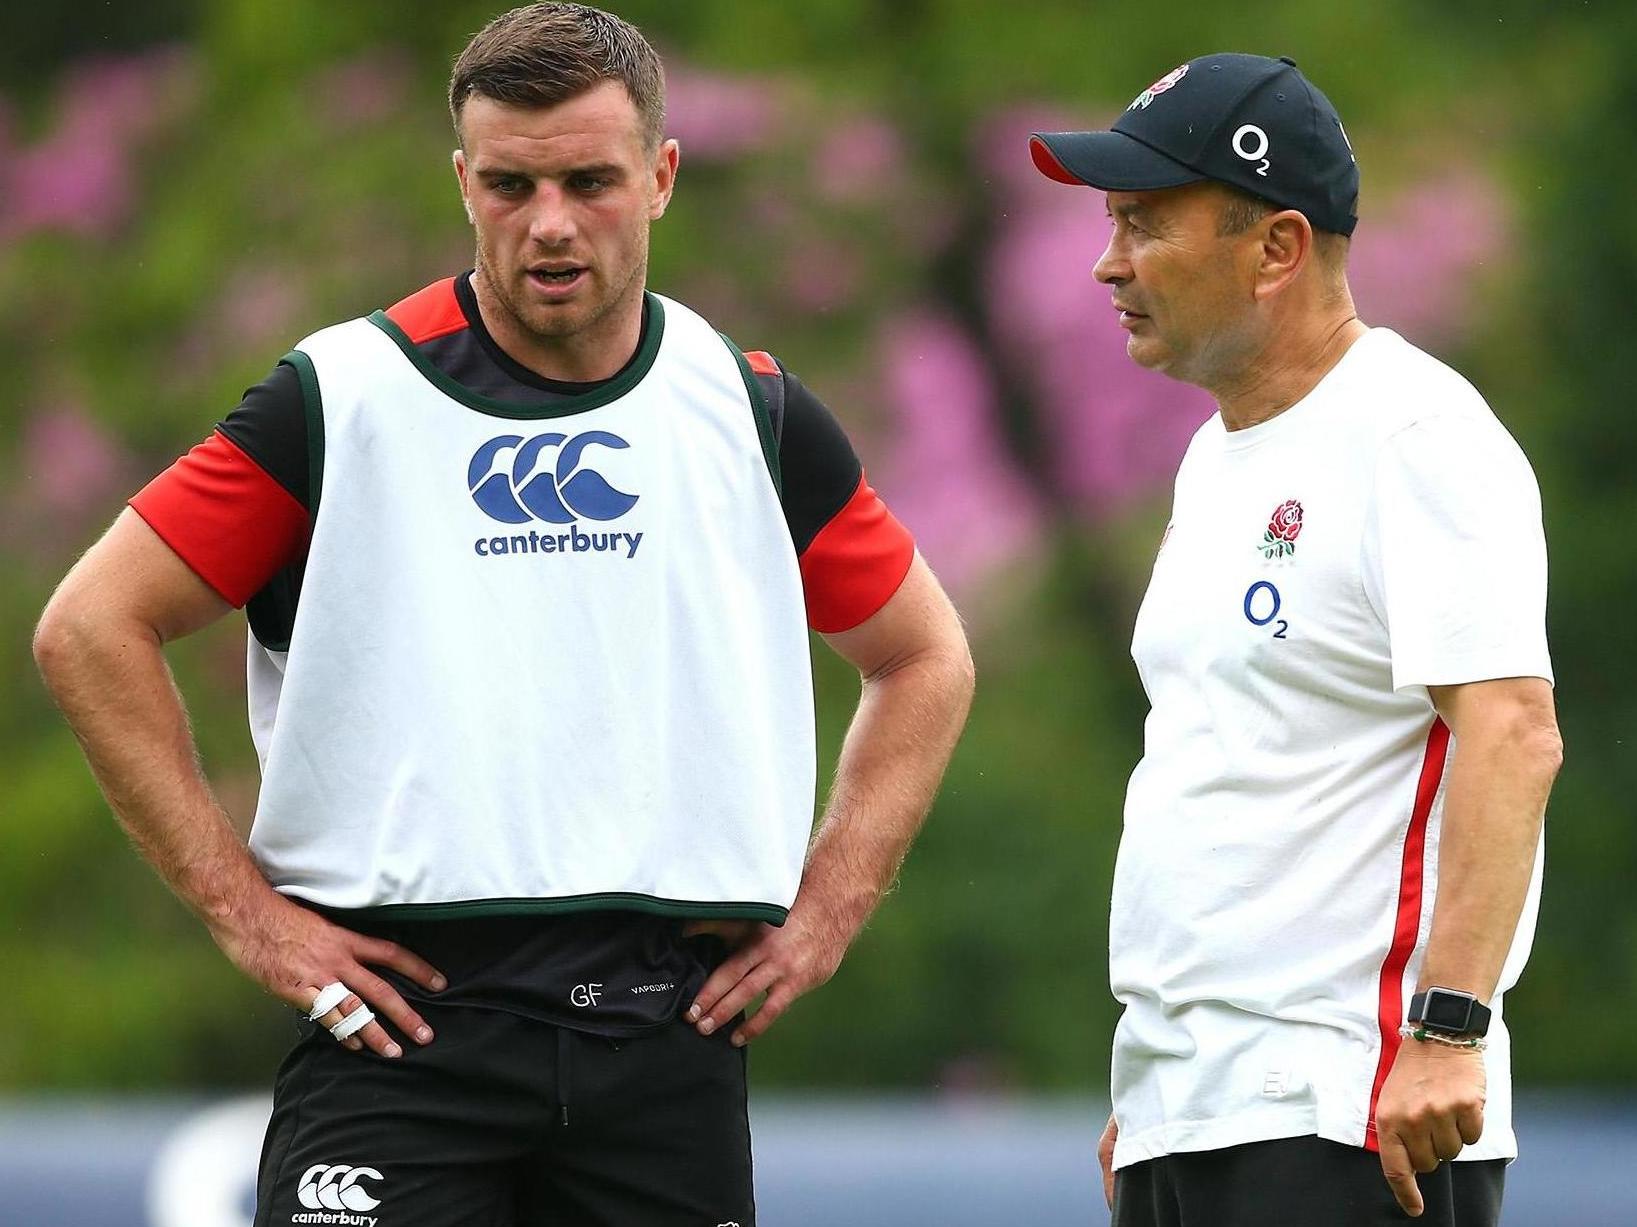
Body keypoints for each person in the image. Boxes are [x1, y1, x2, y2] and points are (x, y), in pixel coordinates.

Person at [32, 5, 974, 1224]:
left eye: (589, 181)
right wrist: (251, 920)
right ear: (463, 180)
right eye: (509, 183)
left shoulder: (748, 410)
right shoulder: (341, 397)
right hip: (398, 1029)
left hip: (664, 1034)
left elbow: (923, 656)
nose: (549, 223)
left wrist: (830, 906)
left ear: (661, 177)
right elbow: (90, 628)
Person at [1029, 53, 1560, 1226]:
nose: (1107, 262)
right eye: (1111, 224)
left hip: (1350, 1113)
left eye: (1143, 224)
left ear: (1276, 249)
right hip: (1197, 1110)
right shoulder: (1215, 456)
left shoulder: (1414, 434)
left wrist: (1448, 1033)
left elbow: (1512, 734)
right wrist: (1160, 1089)